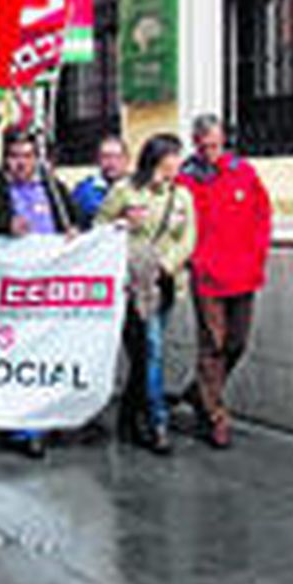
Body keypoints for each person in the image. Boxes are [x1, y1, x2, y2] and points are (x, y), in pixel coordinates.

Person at [0, 129, 78, 457]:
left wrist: (74, 232)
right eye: (14, 156)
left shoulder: (54, 189)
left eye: (27, 156)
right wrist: (3, 225)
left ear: (36, 158)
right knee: (14, 356)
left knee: (42, 356)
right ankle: (17, 423)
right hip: (6, 290)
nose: (21, 163)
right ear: (5, 158)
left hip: (46, 290)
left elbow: (75, 222)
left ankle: (36, 422)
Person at [96, 134, 197, 454]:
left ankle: (130, 415)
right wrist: (122, 222)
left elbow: (189, 237)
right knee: (151, 350)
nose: (179, 162)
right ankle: (156, 421)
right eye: (175, 156)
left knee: (148, 352)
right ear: (159, 158)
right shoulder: (125, 190)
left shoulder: (181, 195)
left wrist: (167, 264)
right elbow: (99, 227)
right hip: (133, 284)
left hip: (164, 283)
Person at [178, 113, 272, 449]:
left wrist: (258, 256)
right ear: (195, 144)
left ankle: (199, 391)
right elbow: (179, 224)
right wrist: (193, 259)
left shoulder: (242, 171)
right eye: (204, 147)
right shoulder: (186, 180)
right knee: (213, 345)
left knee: (237, 343)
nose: (211, 153)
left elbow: (263, 214)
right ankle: (215, 416)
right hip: (207, 277)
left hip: (243, 273)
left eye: (215, 145)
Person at [71, 135, 130, 229]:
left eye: (117, 157)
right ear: (97, 160)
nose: (112, 162)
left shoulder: (138, 188)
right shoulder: (85, 190)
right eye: (106, 157)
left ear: (127, 160)